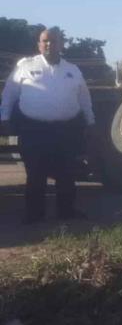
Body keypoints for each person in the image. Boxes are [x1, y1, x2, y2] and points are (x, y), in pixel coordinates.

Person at [0, 27, 94, 223]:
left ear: (61, 44)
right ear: (39, 45)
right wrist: (5, 118)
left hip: (66, 130)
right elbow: (9, 95)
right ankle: (34, 215)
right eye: (45, 41)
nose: (49, 44)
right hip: (34, 130)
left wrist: (91, 121)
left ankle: (66, 212)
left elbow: (84, 98)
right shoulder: (25, 66)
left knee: (67, 173)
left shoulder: (72, 70)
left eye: (53, 41)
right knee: (35, 174)